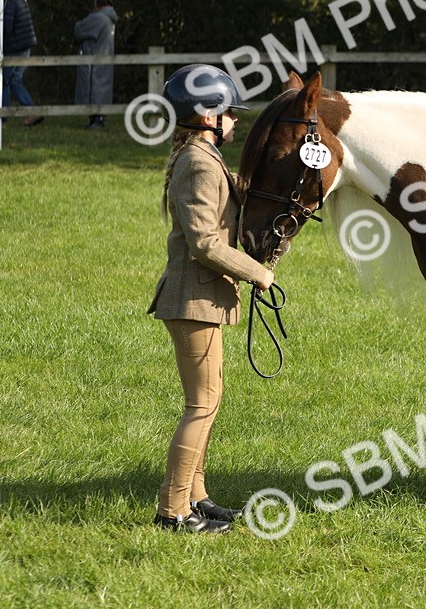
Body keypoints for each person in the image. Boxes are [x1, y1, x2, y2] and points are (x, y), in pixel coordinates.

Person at [148, 65, 275, 534]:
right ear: (206, 116)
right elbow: (204, 242)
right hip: (192, 299)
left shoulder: (202, 157)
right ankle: (173, 511)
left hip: (199, 298)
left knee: (208, 400)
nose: (235, 122)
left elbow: (228, 198)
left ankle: (196, 498)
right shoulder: (199, 162)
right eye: (229, 113)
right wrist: (258, 272)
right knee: (201, 405)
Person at [0, 0, 43, 126]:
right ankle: (32, 111)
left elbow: (6, 27)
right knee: (15, 80)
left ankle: (3, 116)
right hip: (24, 45)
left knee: (5, 81)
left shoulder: (9, 2)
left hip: (15, 47)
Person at [74, 0, 118, 129]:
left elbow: (79, 29)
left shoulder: (99, 18)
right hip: (105, 56)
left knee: (94, 86)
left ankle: (96, 119)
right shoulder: (110, 18)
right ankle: (99, 118)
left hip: (95, 58)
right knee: (103, 86)